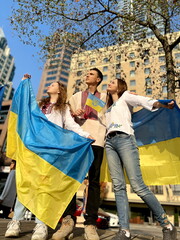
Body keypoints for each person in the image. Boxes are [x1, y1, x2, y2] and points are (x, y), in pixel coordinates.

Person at [5, 74, 93, 240]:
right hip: (34, 151)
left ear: (59, 91)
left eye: (53, 84)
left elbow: (72, 125)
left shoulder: (63, 108)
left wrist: (85, 135)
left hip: (51, 154)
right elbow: (24, 111)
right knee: (26, 185)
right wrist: (24, 83)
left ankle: (41, 225)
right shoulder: (38, 106)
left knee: (45, 189)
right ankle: (15, 222)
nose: (50, 86)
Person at [105, 78, 177, 240]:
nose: (109, 83)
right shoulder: (108, 107)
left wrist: (162, 104)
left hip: (125, 140)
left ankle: (167, 225)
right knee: (118, 187)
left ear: (120, 87)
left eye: (112, 82)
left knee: (138, 186)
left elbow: (142, 100)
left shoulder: (125, 97)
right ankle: (125, 231)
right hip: (109, 142)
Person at [52, 68, 106, 240]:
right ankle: (67, 222)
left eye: (91, 74)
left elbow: (108, 117)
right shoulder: (75, 97)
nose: (87, 75)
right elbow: (67, 119)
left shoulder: (105, 97)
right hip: (77, 139)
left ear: (98, 79)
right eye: (87, 73)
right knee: (71, 179)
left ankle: (90, 224)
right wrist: (74, 114)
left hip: (97, 138)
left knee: (94, 181)